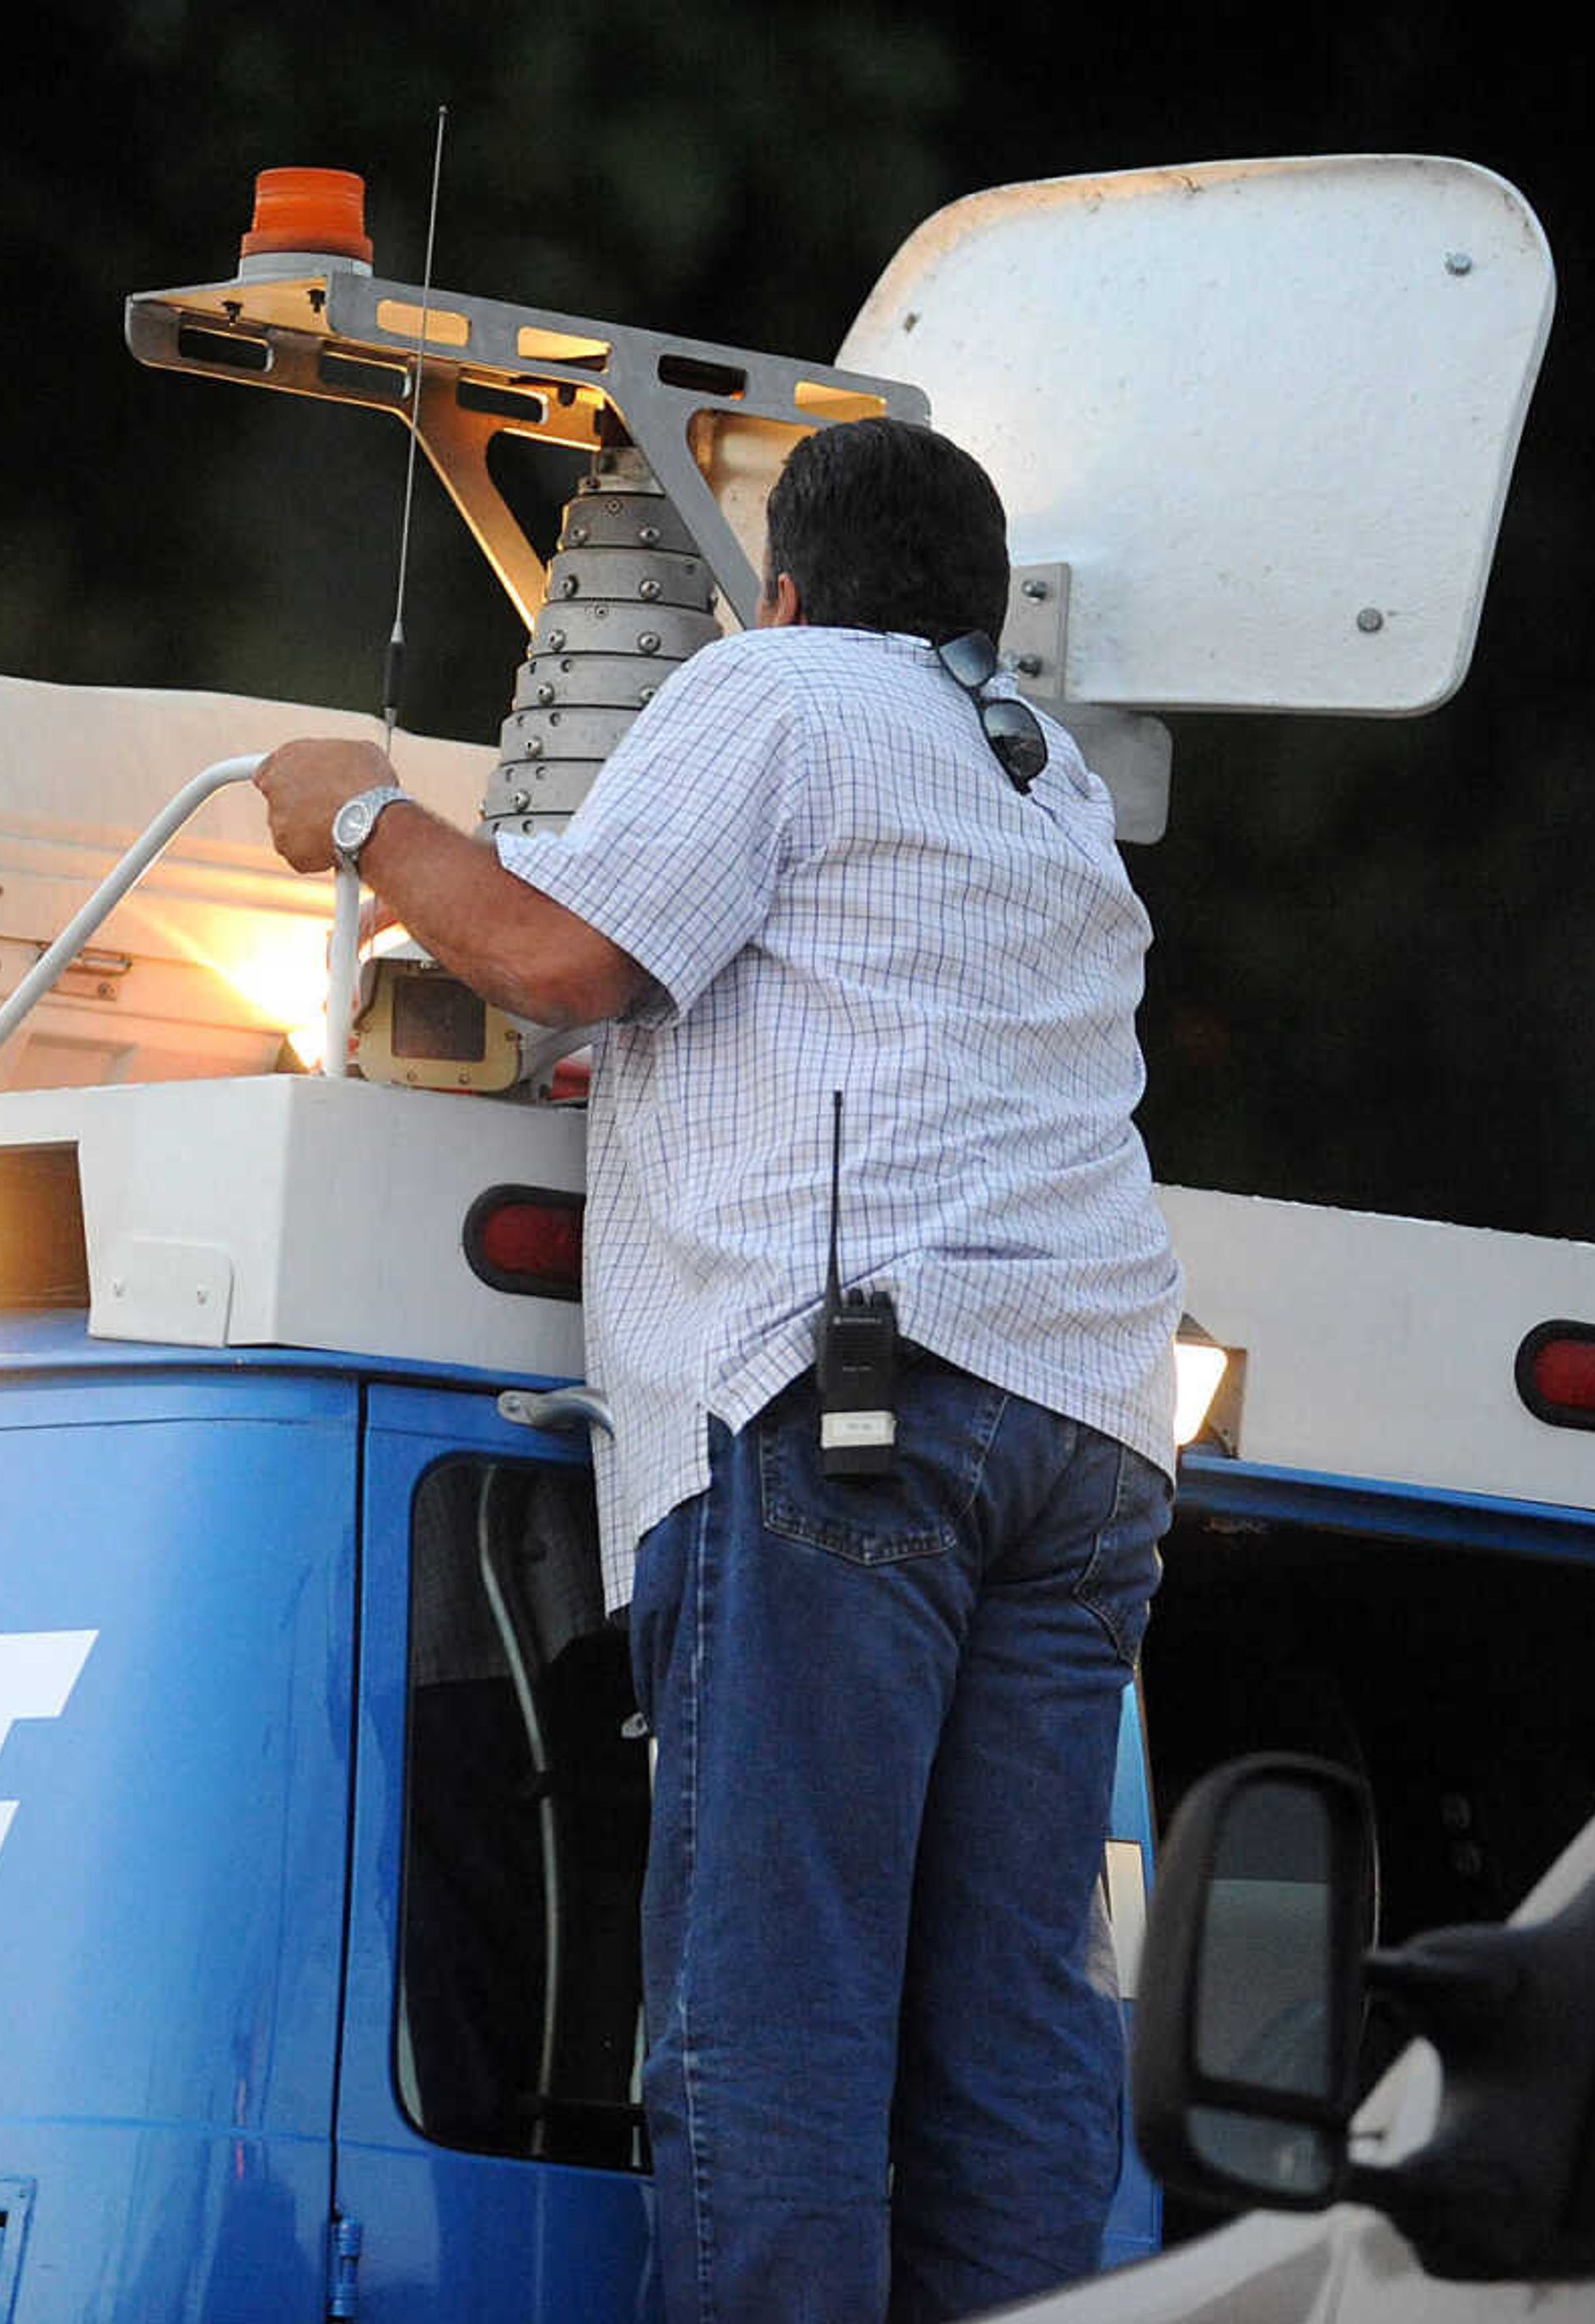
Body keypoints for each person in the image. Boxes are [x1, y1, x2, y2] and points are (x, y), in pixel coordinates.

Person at [255, 416, 1182, 2324]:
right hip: (1091, 1430)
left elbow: (558, 957)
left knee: (778, 2007)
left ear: (784, 590)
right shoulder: (1043, 770)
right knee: (1012, 2018)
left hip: (856, 1412)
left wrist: (357, 814)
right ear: (978, 607)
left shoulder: (771, 692)